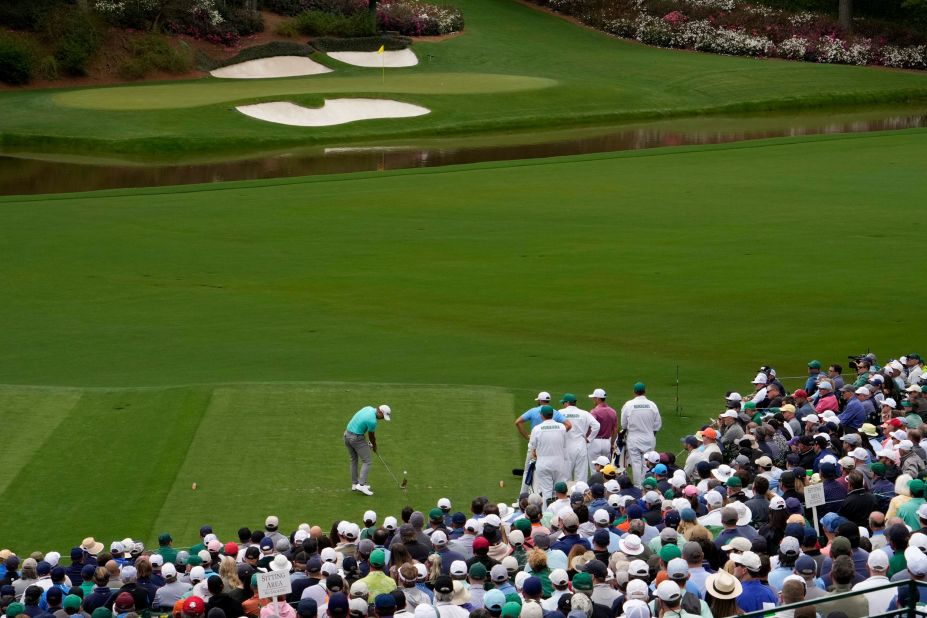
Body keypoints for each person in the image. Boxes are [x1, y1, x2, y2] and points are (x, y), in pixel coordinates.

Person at [515, 392, 572, 494]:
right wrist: (559, 434)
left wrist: (527, 436)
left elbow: (518, 422)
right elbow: (568, 424)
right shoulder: (554, 412)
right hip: (552, 449)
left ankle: (522, 496)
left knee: (527, 471)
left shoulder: (533, 411)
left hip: (536, 446)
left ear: (540, 401)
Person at [344, 404, 392, 496]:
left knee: (353, 459)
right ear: (380, 412)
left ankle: (355, 484)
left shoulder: (368, 408)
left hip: (346, 435)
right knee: (367, 461)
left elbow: (360, 425)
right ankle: (361, 485)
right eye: (383, 416)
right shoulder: (373, 421)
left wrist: (368, 443)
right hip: (356, 438)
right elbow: (371, 436)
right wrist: (374, 446)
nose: (382, 419)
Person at [620, 383, 661, 486]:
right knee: (648, 463)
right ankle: (647, 484)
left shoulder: (628, 404)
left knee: (636, 463)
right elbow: (657, 424)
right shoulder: (652, 405)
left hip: (633, 438)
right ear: (645, 391)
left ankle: (638, 486)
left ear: (634, 392)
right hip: (649, 437)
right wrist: (651, 434)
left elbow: (623, 424)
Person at [528, 405, 568, 500]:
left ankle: (547, 514)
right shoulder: (562, 427)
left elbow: (532, 447)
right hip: (559, 463)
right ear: (553, 414)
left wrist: (535, 453)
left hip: (543, 464)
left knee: (546, 493)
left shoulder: (537, 429)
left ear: (542, 415)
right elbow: (564, 444)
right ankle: (559, 513)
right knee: (559, 492)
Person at [558, 394, 600, 482]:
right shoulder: (584, 413)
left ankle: (566, 495)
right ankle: (581, 494)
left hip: (566, 446)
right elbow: (597, 425)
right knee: (581, 476)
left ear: (567, 403)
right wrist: (589, 439)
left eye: (563, 403)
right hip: (581, 445)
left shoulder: (560, 412)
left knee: (565, 476)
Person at [587, 388, 618, 463]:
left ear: (597, 399)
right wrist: (612, 443)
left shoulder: (594, 412)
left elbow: (590, 427)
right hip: (607, 442)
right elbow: (615, 429)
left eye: (594, 398)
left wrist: (587, 438)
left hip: (595, 442)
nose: (593, 400)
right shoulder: (613, 411)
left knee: (595, 468)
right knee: (605, 468)